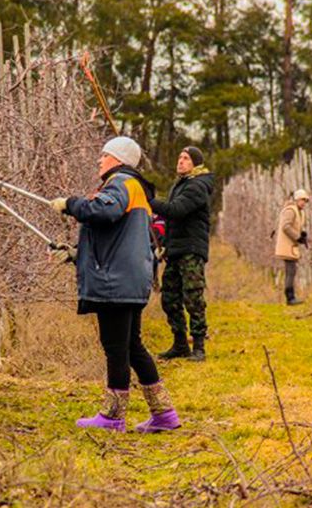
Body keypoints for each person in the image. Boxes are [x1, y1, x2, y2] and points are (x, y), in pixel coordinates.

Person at [49, 136, 180, 433]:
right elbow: (115, 239)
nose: (100, 160)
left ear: (118, 160)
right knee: (132, 346)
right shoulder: (134, 188)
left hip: (116, 283)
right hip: (128, 280)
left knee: (116, 348)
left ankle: (112, 417)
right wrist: (74, 254)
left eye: (104, 155)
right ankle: (164, 414)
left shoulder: (121, 183)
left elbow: (103, 212)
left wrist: (71, 204)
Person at [152, 146, 215, 362]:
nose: (180, 161)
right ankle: (180, 344)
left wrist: (148, 201)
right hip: (176, 249)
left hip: (191, 249)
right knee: (169, 297)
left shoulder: (198, 186)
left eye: (186, 158)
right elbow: (171, 217)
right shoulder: (180, 185)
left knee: (193, 297)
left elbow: (176, 210)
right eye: (179, 157)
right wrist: (164, 243)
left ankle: (198, 346)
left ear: (195, 163)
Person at [274, 189, 310, 305]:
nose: (304, 202)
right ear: (297, 199)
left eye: (305, 200)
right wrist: (298, 237)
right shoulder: (290, 210)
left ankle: (290, 297)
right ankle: (290, 298)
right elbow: (286, 226)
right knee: (291, 270)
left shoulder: (299, 211)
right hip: (287, 245)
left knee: (292, 270)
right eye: (302, 200)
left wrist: (302, 234)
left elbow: (296, 225)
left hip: (291, 245)